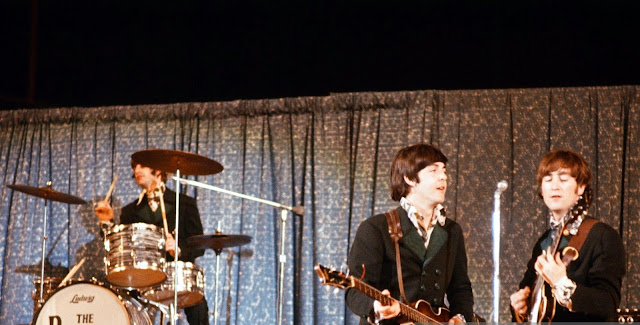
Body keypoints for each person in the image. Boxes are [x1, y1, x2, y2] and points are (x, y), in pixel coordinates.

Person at [345, 143, 475, 324]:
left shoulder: (452, 231)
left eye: (444, 170)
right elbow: (354, 290)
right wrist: (376, 306)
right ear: (409, 178)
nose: (443, 177)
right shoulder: (375, 228)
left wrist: (460, 318)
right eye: (433, 171)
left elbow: (460, 288)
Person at [510, 149, 626, 322]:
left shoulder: (602, 236)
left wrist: (561, 283)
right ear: (542, 190)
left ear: (580, 188)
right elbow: (527, 297)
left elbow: (607, 304)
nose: (555, 185)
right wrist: (519, 306)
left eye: (563, 179)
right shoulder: (543, 242)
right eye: (548, 179)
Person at [95, 158, 208, 325]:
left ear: (159, 171)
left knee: (198, 306)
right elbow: (121, 247)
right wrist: (108, 223)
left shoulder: (184, 203)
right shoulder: (130, 211)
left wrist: (178, 249)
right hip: (143, 278)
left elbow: (199, 245)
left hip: (177, 275)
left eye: (142, 165)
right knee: (124, 306)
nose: (137, 170)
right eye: (134, 166)